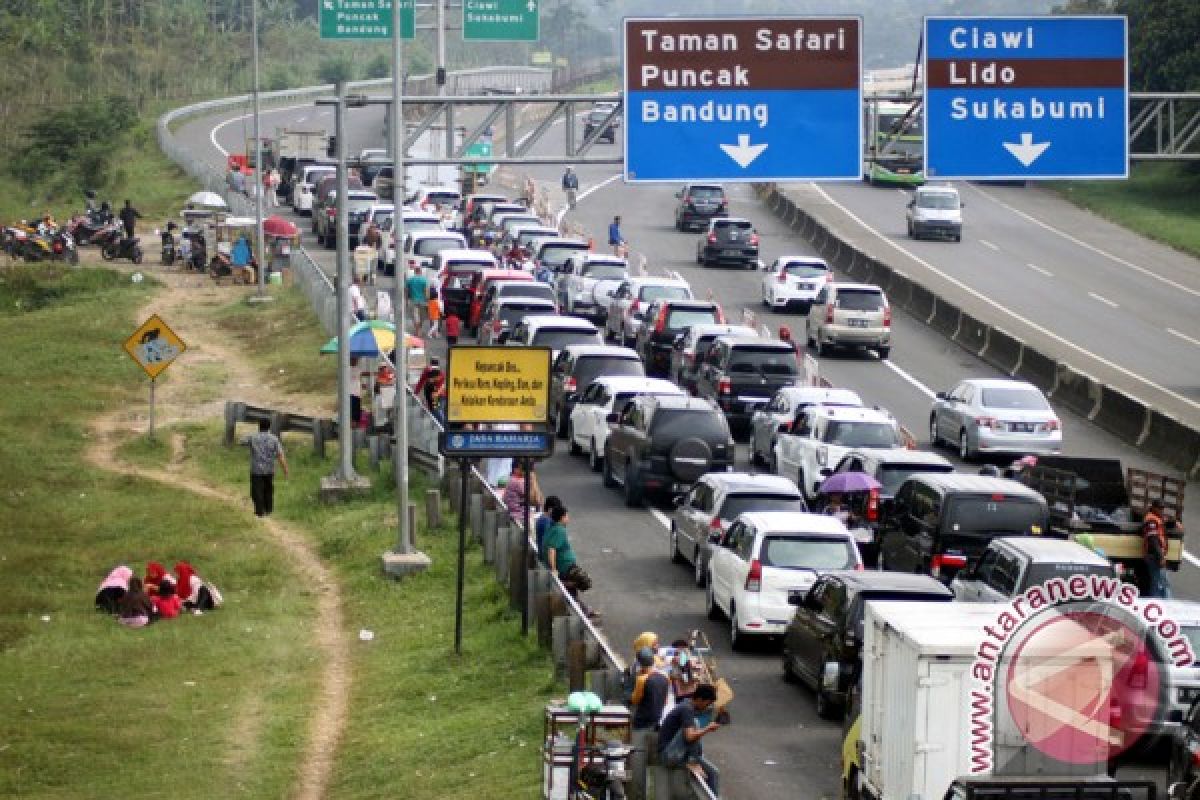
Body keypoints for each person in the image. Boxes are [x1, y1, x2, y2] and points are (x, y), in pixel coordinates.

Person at [658, 683, 722, 795]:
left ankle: (695, 761)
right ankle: (693, 761)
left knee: (714, 773)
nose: (707, 707)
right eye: (707, 703)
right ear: (700, 699)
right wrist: (708, 728)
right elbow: (689, 737)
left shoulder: (687, 705)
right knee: (694, 726)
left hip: (677, 753)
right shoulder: (686, 709)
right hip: (668, 755)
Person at [541, 506, 595, 615]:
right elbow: (552, 549)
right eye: (566, 516)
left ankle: (583, 611)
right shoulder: (559, 530)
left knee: (572, 593)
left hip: (565, 566)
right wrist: (554, 569)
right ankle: (565, 584)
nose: (568, 518)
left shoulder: (552, 527)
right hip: (565, 567)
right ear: (561, 518)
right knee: (585, 581)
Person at [247, 418, 289, 517]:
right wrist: (285, 470)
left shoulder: (253, 437)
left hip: (256, 469)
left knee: (256, 491)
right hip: (269, 469)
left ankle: (259, 511)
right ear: (269, 426)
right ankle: (268, 510)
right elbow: (280, 455)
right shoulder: (274, 439)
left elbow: (241, 441)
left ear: (259, 426)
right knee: (268, 490)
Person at [631, 646, 670, 731]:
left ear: (640, 663)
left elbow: (635, 700)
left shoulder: (642, 679)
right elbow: (665, 701)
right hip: (657, 719)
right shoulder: (665, 677)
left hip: (642, 720)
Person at [1143, 498, 1171, 598]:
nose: (1161, 510)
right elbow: (1153, 540)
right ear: (1154, 508)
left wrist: (1175, 522)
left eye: (1163, 508)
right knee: (1162, 583)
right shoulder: (1151, 520)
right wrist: (1160, 557)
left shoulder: (1156, 518)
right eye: (1160, 508)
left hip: (1155, 555)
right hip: (1154, 556)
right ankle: (1166, 605)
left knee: (1158, 582)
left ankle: (1157, 603)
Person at [405, 266, 429, 333]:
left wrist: (406, 300)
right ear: (420, 271)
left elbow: (406, 291)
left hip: (413, 300)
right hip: (423, 300)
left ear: (415, 271)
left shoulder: (410, 280)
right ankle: (419, 328)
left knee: (415, 316)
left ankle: (417, 330)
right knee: (422, 316)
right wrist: (427, 300)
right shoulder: (424, 280)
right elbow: (426, 291)